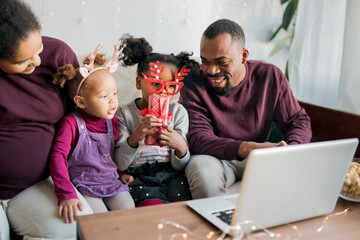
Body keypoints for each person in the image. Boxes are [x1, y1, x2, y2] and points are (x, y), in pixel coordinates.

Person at [179, 19, 312, 199]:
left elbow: (297, 120)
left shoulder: (269, 76)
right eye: (205, 61)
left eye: (221, 62)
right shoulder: (194, 82)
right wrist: (246, 148)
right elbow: (198, 138)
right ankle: (215, 225)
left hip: (260, 157)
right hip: (214, 157)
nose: (211, 70)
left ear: (243, 56)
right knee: (201, 171)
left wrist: (292, 149)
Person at [0, 0, 93, 239]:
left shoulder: (58, 55)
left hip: (37, 185)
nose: (38, 62)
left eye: (38, 48)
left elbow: (83, 114)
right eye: (22, 61)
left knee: (83, 226)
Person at [51, 44, 135, 217]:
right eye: (104, 96)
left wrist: (121, 173)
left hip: (111, 181)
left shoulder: (111, 121)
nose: (113, 101)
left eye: (115, 94)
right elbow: (57, 157)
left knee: (129, 210)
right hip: (84, 185)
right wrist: (65, 192)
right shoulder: (71, 123)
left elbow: (109, 154)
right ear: (81, 102)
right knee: (99, 218)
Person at [114, 35, 199, 207]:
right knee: (153, 209)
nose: (163, 93)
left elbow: (180, 165)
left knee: (185, 207)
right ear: (139, 83)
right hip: (140, 177)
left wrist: (181, 147)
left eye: (171, 86)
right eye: (155, 84)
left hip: (172, 174)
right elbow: (119, 162)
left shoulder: (178, 112)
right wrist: (135, 137)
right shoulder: (124, 113)